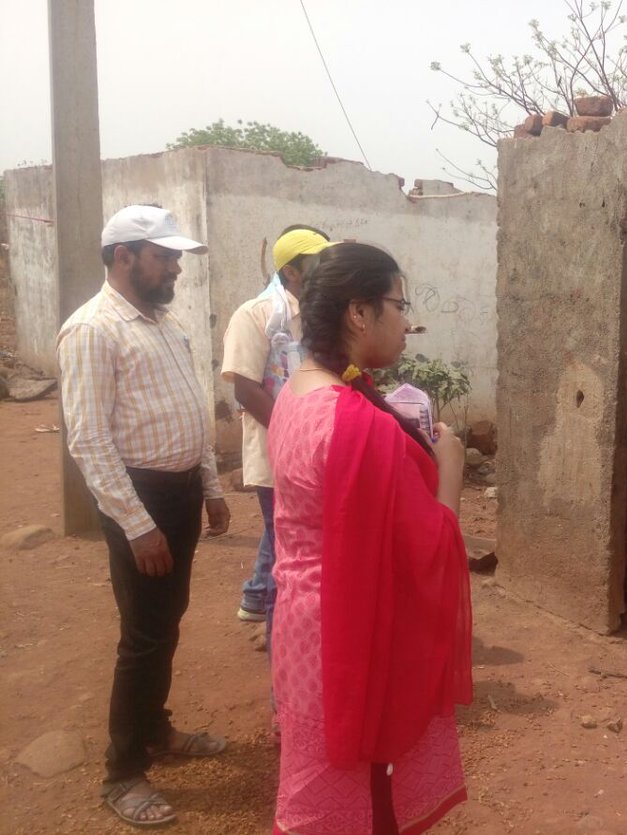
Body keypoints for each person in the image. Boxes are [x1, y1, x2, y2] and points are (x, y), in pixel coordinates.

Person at [268, 242, 473, 834]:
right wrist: (450, 466)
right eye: (397, 305)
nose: (407, 323)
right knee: (360, 787)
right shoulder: (353, 423)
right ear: (359, 313)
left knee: (329, 770)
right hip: (351, 630)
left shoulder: (298, 392)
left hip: (305, 624)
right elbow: (427, 548)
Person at [57, 204, 232, 827]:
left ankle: (155, 730)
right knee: (144, 636)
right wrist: (137, 523)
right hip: (141, 498)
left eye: (177, 258)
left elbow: (190, 409)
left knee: (167, 619)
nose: (175, 269)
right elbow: (89, 440)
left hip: (181, 492)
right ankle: (123, 772)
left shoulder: (165, 323)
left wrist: (210, 486)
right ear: (123, 256)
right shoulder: (93, 330)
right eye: (164, 257)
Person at [223, 225, 331, 635]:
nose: (325, 270)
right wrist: (296, 433)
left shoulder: (321, 315)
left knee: (290, 543)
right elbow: (246, 389)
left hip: (318, 454)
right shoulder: (256, 316)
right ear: (292, 272)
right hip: (279, 455)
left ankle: (260, 603)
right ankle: (278, 639)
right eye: (317, 263)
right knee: (287, 548)